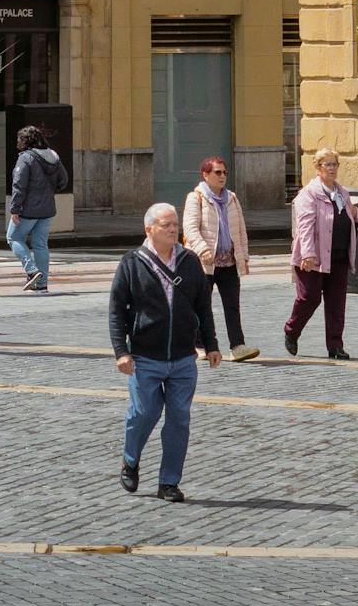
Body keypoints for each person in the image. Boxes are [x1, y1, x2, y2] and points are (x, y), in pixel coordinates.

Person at [109, 200, 220, 502]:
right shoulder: (132, 262)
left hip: (183, 358)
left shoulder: (190, 261)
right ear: (150, 229)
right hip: (145, 356)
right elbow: (117, 310)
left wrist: (211, 345)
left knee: (179, 419)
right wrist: (122, 351)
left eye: (175, 224)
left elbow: (203, 307)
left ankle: (169, 482)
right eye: (166, 225)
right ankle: (130, 459)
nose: (173, 230)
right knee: (144, 413)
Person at [285, 146, 358, 361]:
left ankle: (335, 346)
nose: (332, 168)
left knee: (337, 302)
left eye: (334, 164)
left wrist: (356, 213)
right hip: (314, 258)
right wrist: (308, 254)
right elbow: (305, 227)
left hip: (338, 256)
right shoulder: (308, 195)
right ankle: (291, 330)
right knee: (309, 297)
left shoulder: (341, 193)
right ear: (317, 168)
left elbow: (352, 216)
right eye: (327, 164)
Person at [182, 157, 258, 361]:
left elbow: (240, 228)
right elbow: (190, 228)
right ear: (205, 175)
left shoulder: (231, 198)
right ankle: (199, 345)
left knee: (232, 305)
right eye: (218, 173)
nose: (222, 176)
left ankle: (237, 345)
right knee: (201, 306)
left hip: (229, 262)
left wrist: (244, 255)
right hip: (204, 264)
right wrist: (202, 249)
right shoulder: (195, 198)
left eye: (224, 172)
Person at [7, 124, 68, 292]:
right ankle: (42, 284)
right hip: (47, 208)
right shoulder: (53, 156)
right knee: (40, 245)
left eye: (20, 138)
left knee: (13, 238)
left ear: (27, 141)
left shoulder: (26, 158)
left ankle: (31, 270)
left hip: (28, 209)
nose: (17, 141)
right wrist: (48, 191)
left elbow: (19, 185)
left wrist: (15, 209)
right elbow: (63, 181)